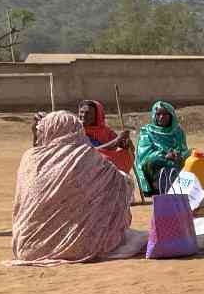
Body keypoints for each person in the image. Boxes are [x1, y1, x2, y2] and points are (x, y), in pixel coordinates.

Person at [12, 111, 132, 264]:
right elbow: (118, 180)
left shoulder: (29, 157)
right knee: (121, 183)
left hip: (28, 248)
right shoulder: (85, 156)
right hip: (81, 247)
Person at [133, 101, 188, 196]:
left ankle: (181, 184)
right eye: (158, 114)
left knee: (192, 155)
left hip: (175, 161)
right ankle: (156, 187)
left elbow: (183, 149)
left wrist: (178, 154)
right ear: (154, 115)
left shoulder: (178, 131)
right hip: (157, 164)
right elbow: (144, 155)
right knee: (153, 161)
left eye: (165, 114)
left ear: (171, 115)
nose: (161, 117)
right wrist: (164, 156)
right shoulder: (147, 131)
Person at [77, 99, 134, 174]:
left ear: (97, 116)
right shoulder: (76, 131)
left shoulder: (106, 132)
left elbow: (127, 147)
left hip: (106, 168)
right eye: (81, 112)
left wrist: (126, 144)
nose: (83, 115)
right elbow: (88, 152)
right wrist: (116, 141)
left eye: (88, 113)